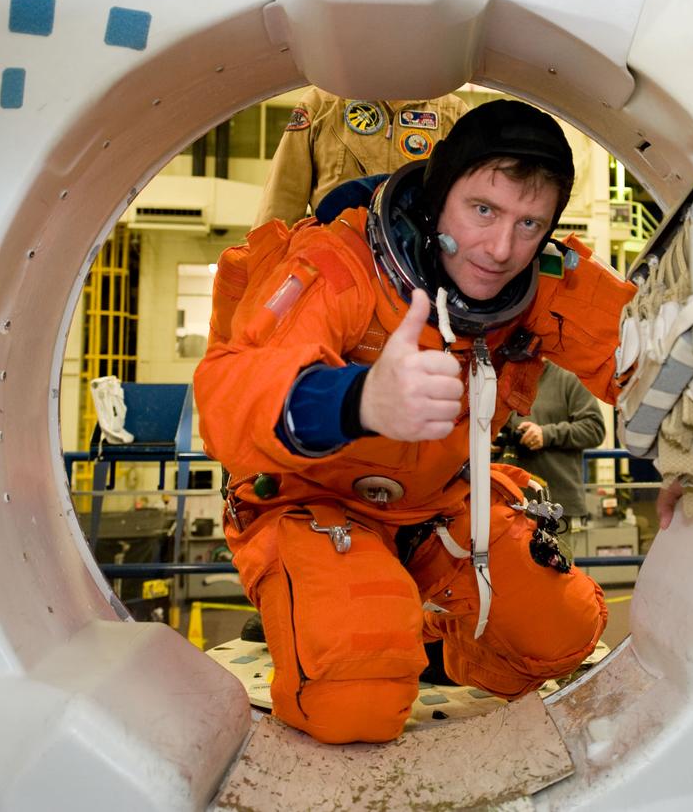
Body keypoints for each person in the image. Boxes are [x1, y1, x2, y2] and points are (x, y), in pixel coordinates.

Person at [195, 98, 636, 744]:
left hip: (440, 507)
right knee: (354, 701)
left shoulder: (543, 279)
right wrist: (360, 400)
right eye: (483, 210)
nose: (500, 247)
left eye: (529, 222)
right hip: (314, 502)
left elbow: (644, 351)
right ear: (436, 196)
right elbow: (231, 393)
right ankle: (360, 620)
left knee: (557, 639)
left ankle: (420, 625)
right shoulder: (335, 260)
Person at [255, 87, 470, 227]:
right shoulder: (321, 106)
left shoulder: (453, 114)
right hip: (336, 270)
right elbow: (281, 203)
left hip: (414, 272)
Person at [500, 361, 606, 560]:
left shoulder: (569, 378)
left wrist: (546, 434)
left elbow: (594, 428)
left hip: (554, 504)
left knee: (555, 578)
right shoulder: (509, 378)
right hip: (512, 502)